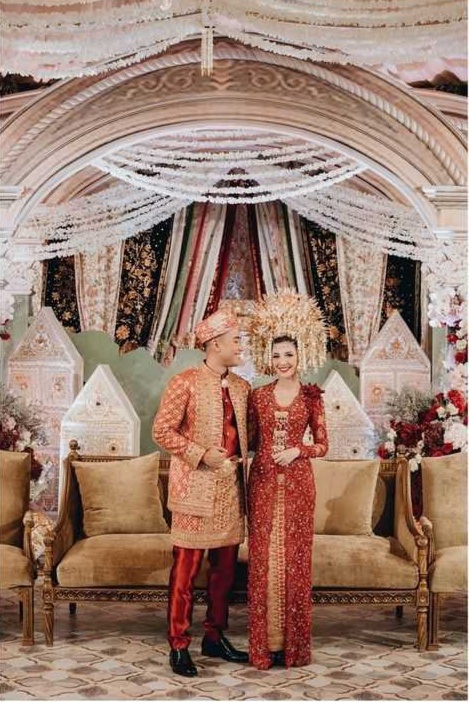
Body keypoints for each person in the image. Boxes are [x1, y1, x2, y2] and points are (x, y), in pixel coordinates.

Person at [153, 308, 250, 677]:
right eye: (236, 340)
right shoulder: (185, 382)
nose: (241, 347)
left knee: (224, 572)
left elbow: (250, 437)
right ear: (215, 344)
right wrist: (201, 453)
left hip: (230, 491)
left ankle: (214, 636)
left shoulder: (241, 387)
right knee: (186, 572)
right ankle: (178, 645)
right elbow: (162, 431)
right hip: (193, 488)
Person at [247, 289, 329, 670]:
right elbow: (248, 440)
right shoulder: (258, 396)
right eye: (277, 355)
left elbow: (323, 445)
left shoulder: (312, 397)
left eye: (289, 355)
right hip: (263, 482)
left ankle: (294, 648)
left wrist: (299, 450)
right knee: (263, 559)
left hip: (298, 484)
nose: (282, 361)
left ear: (301, 356)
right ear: (269, 357)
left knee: (295, 560)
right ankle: (265, 647)